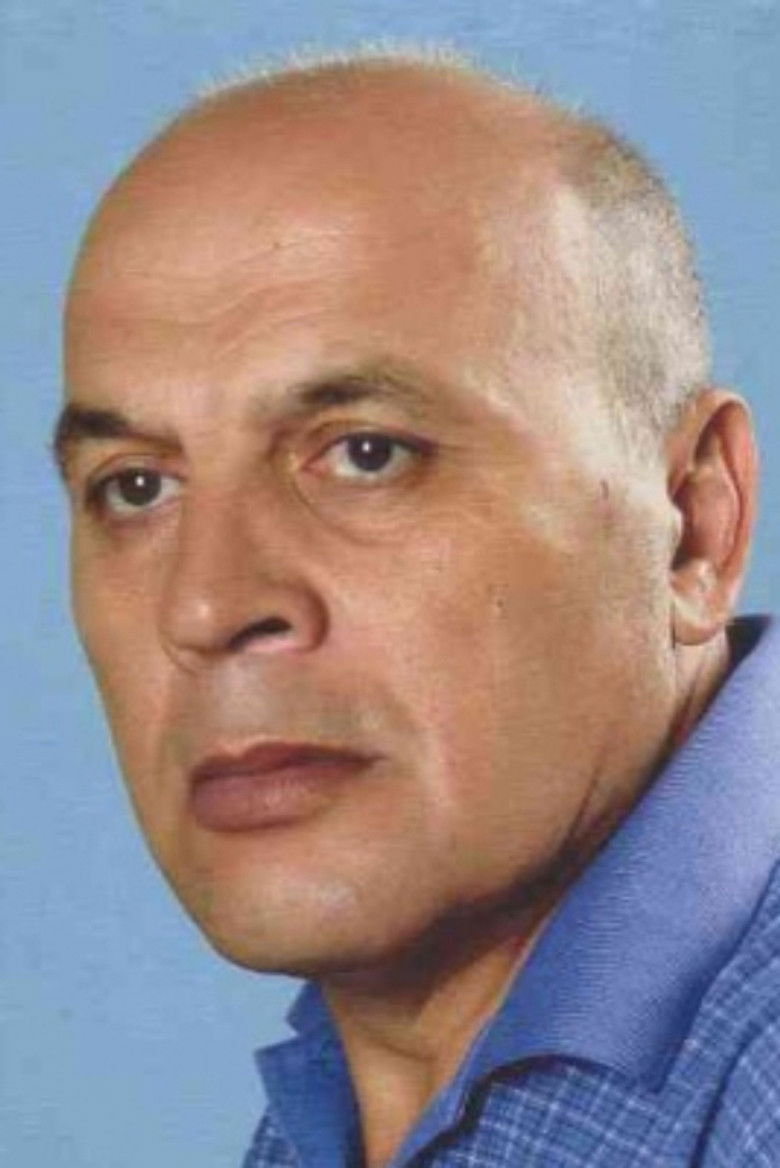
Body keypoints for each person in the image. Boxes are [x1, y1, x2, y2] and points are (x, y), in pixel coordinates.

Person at [54, 50, 780, 1167]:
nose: (204, 605)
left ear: (691, 526)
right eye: (136, 486)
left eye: (367, 454)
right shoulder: (361, 1090)